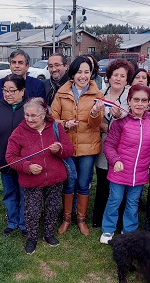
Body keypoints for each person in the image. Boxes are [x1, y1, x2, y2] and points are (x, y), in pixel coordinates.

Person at [6, 97, 74, 254]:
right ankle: (31, 238)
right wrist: (27, 167)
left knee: (53, 207)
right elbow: (10, 157)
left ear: (44, 114)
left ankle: (49, 234)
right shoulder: (19, 132)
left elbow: (69, 150)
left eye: (34, 115)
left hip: (55, 178)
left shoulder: (56, 127)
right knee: (32, 210)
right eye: (27, 115)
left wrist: (60, 149)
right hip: (31, 180)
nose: (29, 119)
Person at [50, 56, 105, 236]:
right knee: (69, 182)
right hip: (67, 146)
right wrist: (65, 124)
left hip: (88, 148)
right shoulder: (61, 93)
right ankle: (66, 219)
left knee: (83, 183)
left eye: (87, 72)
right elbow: (52, 119)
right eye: (79, 72)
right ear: (72, 73)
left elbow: (95, 124)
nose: (83, 76)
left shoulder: (98, 95)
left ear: (92, 74)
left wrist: (96, 113)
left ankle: (80, 219)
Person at [99, 85, 150, 244]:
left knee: (133, 203)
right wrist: (115, 160)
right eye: (136, 100)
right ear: (129, 101)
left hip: (140, 172)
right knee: (115, 200)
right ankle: (108, 229)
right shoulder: (120, 121)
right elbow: (109, 145)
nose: (140, 104)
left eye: (144, 100)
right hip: (120, 171)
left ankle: (129, 230)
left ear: (148, 103)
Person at [0, 74, 27, 237]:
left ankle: (24, 223)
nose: (7, 94)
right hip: (4, 162)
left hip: (25, 164)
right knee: (9, 193)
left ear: (22, 91)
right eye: (5, 90)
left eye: (12, 90)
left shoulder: (30, 108)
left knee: (25, 194)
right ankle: (12, 222)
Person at [93, 59, 134, 228]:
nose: (118, 78)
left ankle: (118, 220)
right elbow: (94, 120)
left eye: (122, 76)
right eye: (115, 75)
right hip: (104, 143)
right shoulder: (100, 94)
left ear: (127, 79)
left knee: (120, 182)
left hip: (125, 145)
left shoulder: (131, 96)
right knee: (103, 181)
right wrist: (104, 126)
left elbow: (135, 119)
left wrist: (117, 120)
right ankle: (98, 217)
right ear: (108, 77)